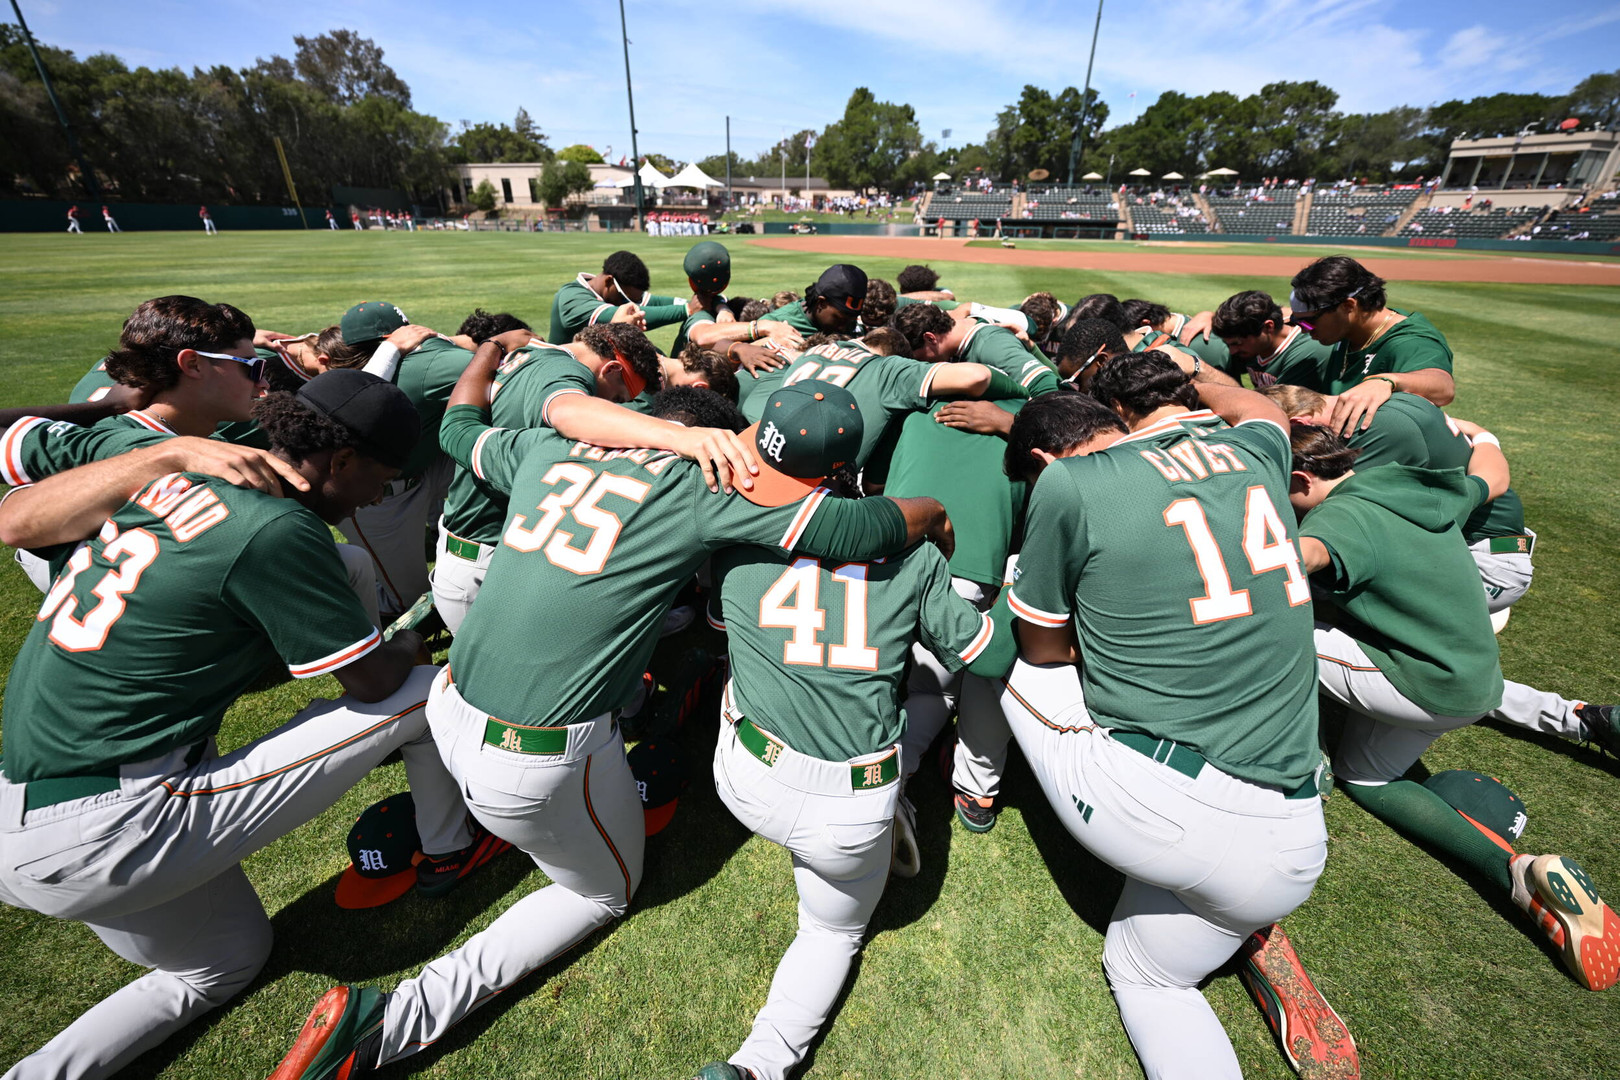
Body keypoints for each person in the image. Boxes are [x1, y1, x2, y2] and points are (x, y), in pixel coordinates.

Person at [263, 356, 956, 1080]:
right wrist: (932, 512)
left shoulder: (543, 445)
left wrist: (483, 360)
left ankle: (470, 838)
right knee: (599, 891)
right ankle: (399, 1017)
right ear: (713, 446)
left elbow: (461, 426)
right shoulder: (703, 485)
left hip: (451, 704)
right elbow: (857, 532)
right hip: (531, 754)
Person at [0, 371, 501, 1080]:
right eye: (382, 477)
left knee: (226, 961)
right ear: (342, 462)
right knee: (423, 692)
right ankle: (452, 850)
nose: (381, 495)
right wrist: (415, 640)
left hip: (25, 811)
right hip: (112, 826)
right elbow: (380, 684)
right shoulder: (274, 528)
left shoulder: (192, 479)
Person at [964, 355, 1340, 1078]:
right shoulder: (1262, 446)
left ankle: (973, 786)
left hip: (1166, 805)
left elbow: (1040, 647)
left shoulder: (1071, 483)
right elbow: (1254, 406)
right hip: (1297, 840)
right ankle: (1240, 929)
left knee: (995, 639)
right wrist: (1194, 370)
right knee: (1142, 968)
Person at [690, 391, 1009, 1080]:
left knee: (738, 668)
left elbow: (723, 630)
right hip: (850, 806)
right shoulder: (917, 557)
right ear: (851, 465)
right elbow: (988, 656)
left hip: (745, 777)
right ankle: (757, 1066)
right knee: (830, 932)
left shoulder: (732, 536)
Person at [1288, 425, 1619, 990]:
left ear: (1302, 479)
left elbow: (1304, 556)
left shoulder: (1337, 518)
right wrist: (1486, 434)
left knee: (1275, 627)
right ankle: (1524, 875)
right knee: (1370, 776)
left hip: (1431, 687)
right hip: (1475, 674)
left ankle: (1505, 868)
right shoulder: (1412, 484)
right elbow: (1490, 475)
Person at [431, 323, 754, 632]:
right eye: (617, 399)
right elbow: (568, 410)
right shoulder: (568, 374)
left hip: (482, 541)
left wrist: (493, 345)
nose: (613, 406)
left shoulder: (538, 351)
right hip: (484, 561)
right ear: (611, 369)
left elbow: (459, 428)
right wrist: (676, 435)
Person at [1261, 383, 1538, 624]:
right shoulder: (1383, 414)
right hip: (1476, 549)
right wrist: (1485, 436)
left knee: (1311, 591)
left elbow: (1317, 545)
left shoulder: (1371, 468)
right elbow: (1493, 479)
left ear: (1298, 425)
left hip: (1484, 565)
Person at [321, 302, 474, 617]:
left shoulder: (416, 363)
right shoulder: (343, 391)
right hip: (375, 500)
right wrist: (390, 350)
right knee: (407, 600)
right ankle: (325, 605)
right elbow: (355, 404)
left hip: (425, 473)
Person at [1285, 255, 1455, 434]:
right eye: (1297, 321)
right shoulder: (1349, 328)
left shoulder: (1409, 341)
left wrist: (1387, 381)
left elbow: (1443, 387)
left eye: (1308, 322)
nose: (1304, 330)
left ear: (1348, 306)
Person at [548, 250, 692, 344]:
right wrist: (688, 310)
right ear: (609, 281)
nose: (627, 304)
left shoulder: (613, 291)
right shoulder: (571, 298)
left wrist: (692, 303)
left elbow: (655, 302)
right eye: (624, 299)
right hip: (564, 375)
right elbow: (626, 316)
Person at [1209, 290, 1332, 388]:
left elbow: (1282, 408)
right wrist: (1206, 316)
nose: (1232, 351)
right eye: (1229, 344)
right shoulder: (1254, 346)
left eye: (1237, 343)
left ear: (1268, 327)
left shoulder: (1307, 352)